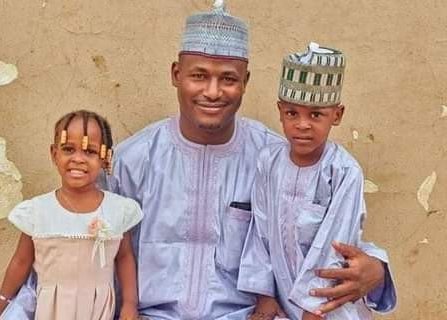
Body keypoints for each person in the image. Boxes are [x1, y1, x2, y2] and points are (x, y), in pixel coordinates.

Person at [108, 1, 396, 319]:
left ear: (246, 81)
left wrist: (376, 269)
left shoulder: (276, 159)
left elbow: (320, 235)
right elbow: (95, 244)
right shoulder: (132, 159)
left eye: (228, 79)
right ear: (176, 74)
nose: (213, 92)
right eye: (199, 76)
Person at [237, 43, 395, 320]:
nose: (302, 125)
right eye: (292, 113)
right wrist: (264, 296)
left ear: (337, 115)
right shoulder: (268, 162)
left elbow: (334, 244)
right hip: (282, 303)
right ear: (280, 111)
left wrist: (315, 310)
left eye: (316, 114)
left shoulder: (343, 170)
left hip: (329, 306)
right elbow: (259, 232)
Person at [0, 110, 143, 320]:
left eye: (89, 151)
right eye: (68, 149)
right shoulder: (37, 212)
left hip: (97, 309)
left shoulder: (118, 210)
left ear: (105, 157)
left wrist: (129, 304)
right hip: (50, 310)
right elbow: (20, 262)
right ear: (54, 154)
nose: (78, 159)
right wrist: (1, 307)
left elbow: (125, 258)